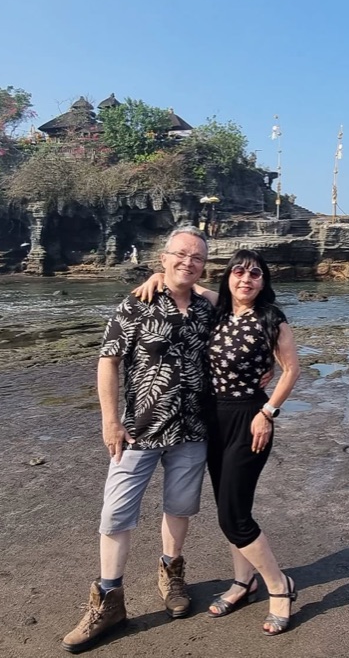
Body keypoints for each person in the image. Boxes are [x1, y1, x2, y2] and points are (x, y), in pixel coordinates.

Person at [62, 226, 215, 654]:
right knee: (117, 511)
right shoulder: (136, 303)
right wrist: (110, 421)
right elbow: (107, 362)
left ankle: (172, 574)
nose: (188, 262)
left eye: (197, 257)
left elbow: (245, 306)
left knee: (181, 507)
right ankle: (108, 600)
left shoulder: (207, 308)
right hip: (139, 428)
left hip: (193, 429)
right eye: (180, 255)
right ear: (162, 257)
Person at [136, 249, 301, 635]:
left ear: (264, 281)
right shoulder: (219, 311)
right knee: (231, 506)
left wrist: (269, 412)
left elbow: (292, 368)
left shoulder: (272, 318)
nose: (246, 279)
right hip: (213, 420)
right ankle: (244, 582)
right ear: (228, 278)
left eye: (255, 274)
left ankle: (280, 587)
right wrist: (157, 278)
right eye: (239, 272)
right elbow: (185, 283)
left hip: (251, 420)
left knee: (234, 515)